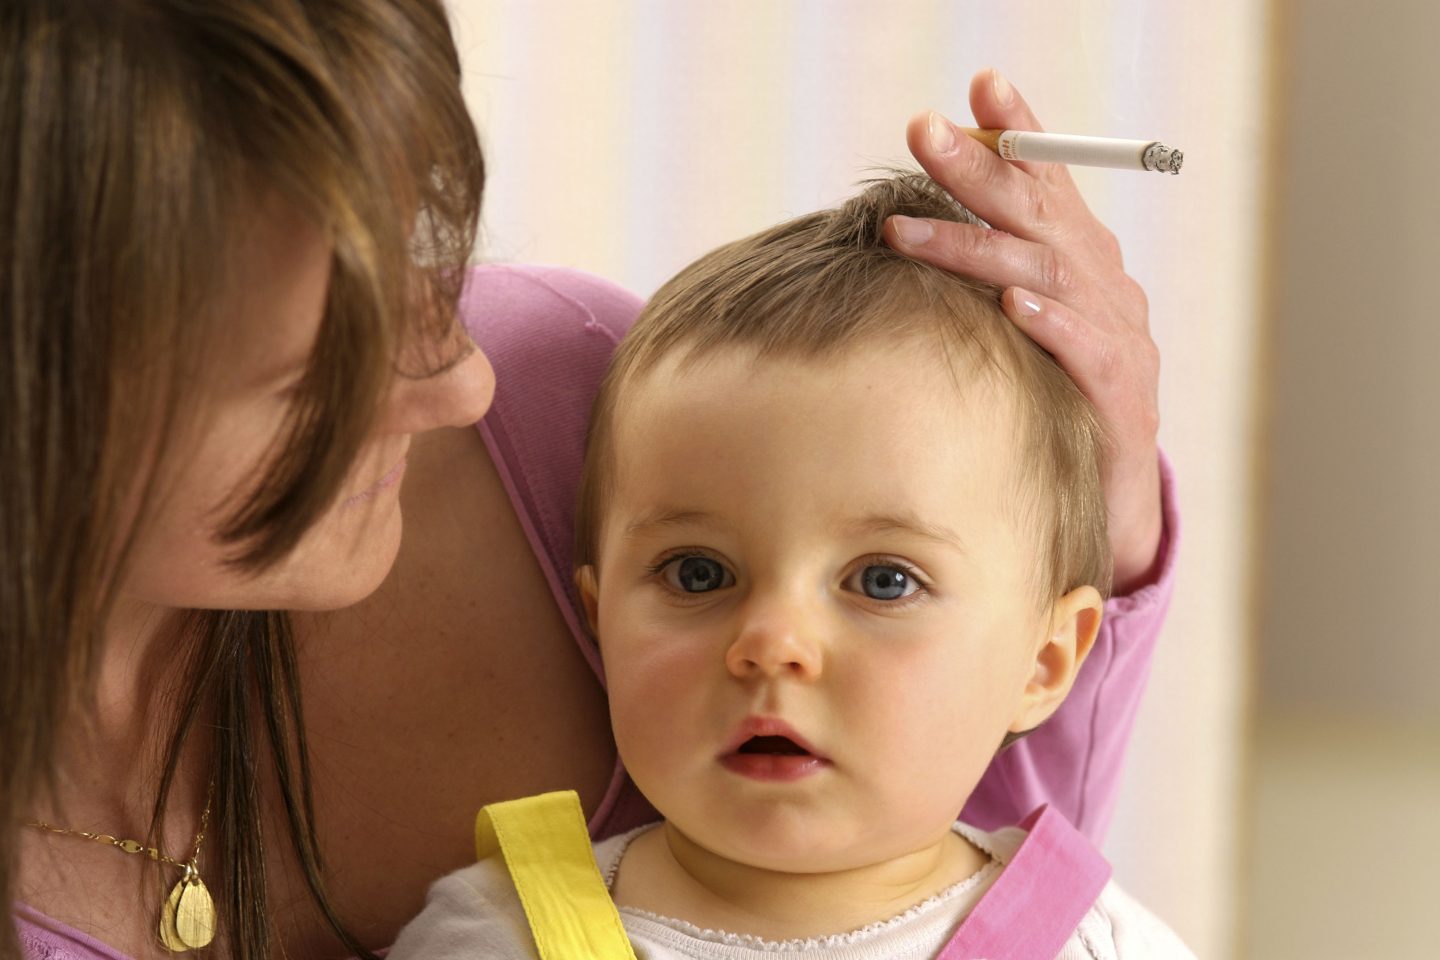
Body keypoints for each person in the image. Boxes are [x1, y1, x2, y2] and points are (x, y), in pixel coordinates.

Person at [4, 2, 1175, 958]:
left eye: (419, 249)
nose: (459, 381)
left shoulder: (573, 395)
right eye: (317, 366)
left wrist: (1102, 497)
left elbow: (981, 811)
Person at [386, 171, 1190, 959]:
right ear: (599, 620)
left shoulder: (1100, 945)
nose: (771, 643)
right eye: (698, 574)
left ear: (1045, 660)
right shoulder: (494, 937)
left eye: (884, 581)